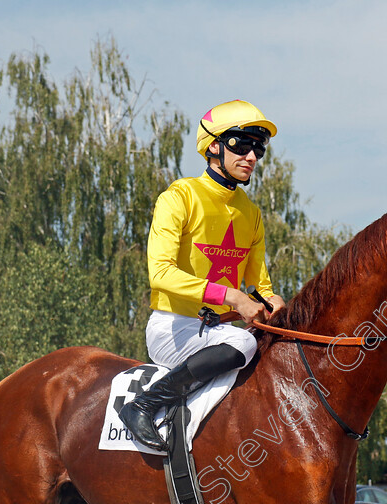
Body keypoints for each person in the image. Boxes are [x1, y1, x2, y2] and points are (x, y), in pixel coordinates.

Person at [119, 99, 286, 451]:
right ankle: (144, 405)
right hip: (172, 327)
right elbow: (161, 274)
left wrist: (275, 303)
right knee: (245, 342)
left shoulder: (251, 213)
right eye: (241, 145)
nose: (251, 157)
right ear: (214, 146)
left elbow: (260, 287)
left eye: (258, 148)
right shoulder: (178, 197)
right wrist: (232, 297)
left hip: (215, 332)